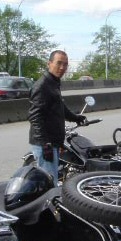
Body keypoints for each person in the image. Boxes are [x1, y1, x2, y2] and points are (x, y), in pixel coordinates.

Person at [28, 50, 86, 182]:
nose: (62, 67)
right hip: (45, 144)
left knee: (52, 180)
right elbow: (35, 116)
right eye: (58, 63)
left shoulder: (53, 83)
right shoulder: (42, 86)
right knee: (50, 184)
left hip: (52, 142)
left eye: (65, 64)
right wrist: (45, 144)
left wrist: (76, 118)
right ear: (49, 63)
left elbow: (60, 107)